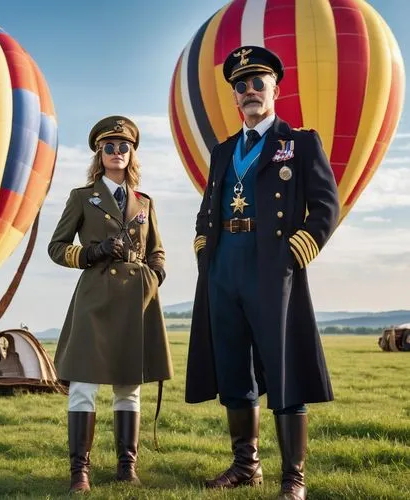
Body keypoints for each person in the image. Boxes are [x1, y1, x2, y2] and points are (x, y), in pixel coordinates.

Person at [186, 46, 339, 499]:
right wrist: (203, 249)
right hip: (224, 265)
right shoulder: (223, 150)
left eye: (258, 83)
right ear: (234, 97)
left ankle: (293, 477)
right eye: (241, 85)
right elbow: (206, 207)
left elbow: (326, 205)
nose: (250, 91)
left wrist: (298, 250)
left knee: (284, 366)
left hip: (274, 267)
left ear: (276, 88)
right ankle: (245, 465)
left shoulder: (300, 142)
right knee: (233, 366)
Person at [48, 115, 173, 493]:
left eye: (124, 146)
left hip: (137, 301)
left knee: (128, 387)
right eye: (109, 147)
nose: (117, 152)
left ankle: (126, 467)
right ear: (99, 154)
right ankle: (79, 472)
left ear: (132, 153)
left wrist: (154, 276)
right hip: (95, 299)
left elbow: (158, 251)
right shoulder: (82, 198)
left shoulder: (145, 202)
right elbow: (56, 248)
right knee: (83, 384)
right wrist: (92, 252)